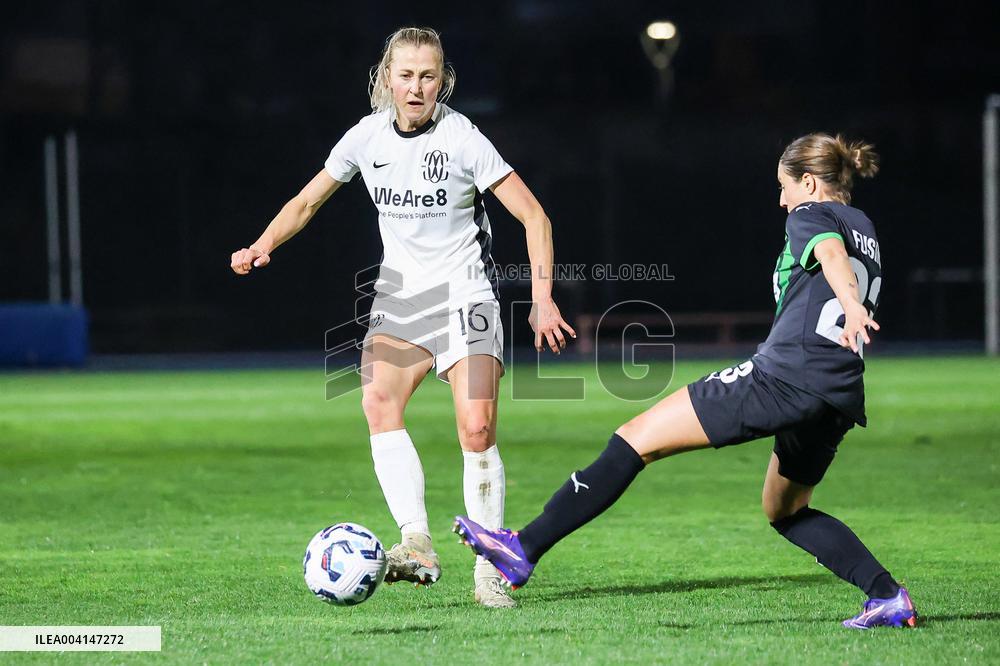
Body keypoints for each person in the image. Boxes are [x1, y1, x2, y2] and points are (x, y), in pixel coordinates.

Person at [455, 133, 918, 628]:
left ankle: (522, 548)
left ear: (808, 183)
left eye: (784, 187)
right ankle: (887, 595)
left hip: (786, 377)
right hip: (837, 391)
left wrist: (850, 304)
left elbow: (830, 256)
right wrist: (851, 306)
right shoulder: (864, 226)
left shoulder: (810, 214)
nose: (782, 201)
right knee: (784, 509)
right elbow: (838, 262)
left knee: (635, 439)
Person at [231, 27, 575, 608]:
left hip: (467, 293)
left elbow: (534, 217)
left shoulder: (463, 138)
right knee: (378, 401)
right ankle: (416, 542)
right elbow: (307, 201)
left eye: (428, 76)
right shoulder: (365, 137)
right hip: (401, 298)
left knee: (477, 428)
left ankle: (490, 569)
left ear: (443, 82)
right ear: (386, 78)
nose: (417, 87)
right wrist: (263, 244)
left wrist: (542, 298)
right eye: (407, 75)